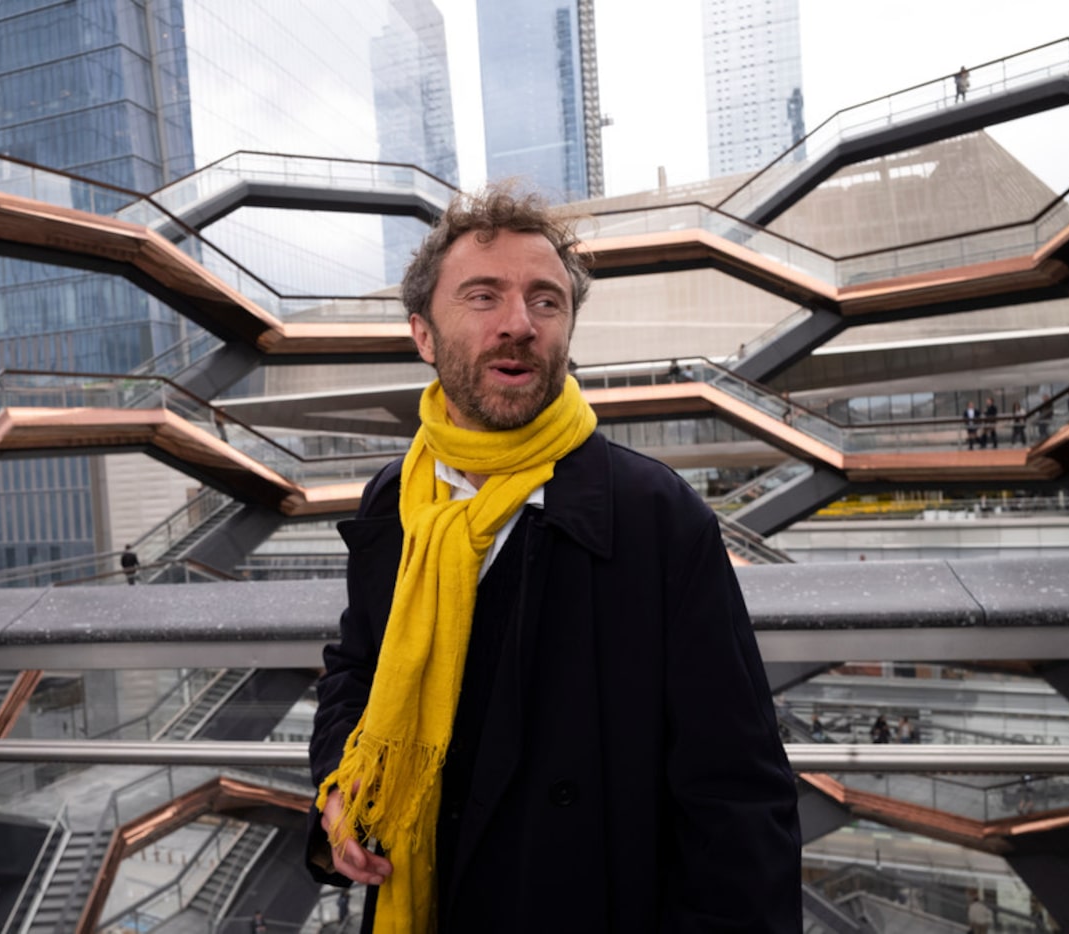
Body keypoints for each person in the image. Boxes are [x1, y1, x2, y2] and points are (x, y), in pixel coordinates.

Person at [306, 184, 801, 933]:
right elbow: (358, 669)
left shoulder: (654, 517)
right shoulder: (396, 501)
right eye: (483, 297)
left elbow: (736, 799)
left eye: (546, 301)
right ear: (424, 334)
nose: (519, 325)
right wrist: (340, 783)